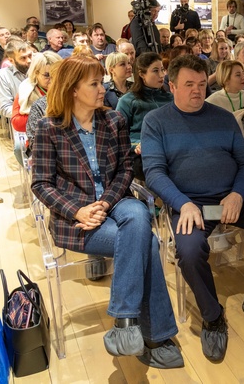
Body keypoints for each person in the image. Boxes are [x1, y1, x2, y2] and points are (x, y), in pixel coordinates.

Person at [141, 54, 244, 362]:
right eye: (189, 84)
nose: (197, 91)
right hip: (194, 205)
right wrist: (182, 203)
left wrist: (237, 195)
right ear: (172, 86)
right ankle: (212, 315)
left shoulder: (222, 117)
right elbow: (154, 172)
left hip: (234, 199)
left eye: (202, 84)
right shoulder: (156, 121)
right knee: (189, 252)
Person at [31, 56, 182, 369]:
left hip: (115, 201)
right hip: (77, 219)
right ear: (73, 89)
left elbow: (126, 168)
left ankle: (126, 318)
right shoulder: (49, 129)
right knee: (149, 244)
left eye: (102, 82)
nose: (104, 89)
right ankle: (157, 335)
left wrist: (105, 202)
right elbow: (42, 185)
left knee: (138, 216)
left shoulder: (113, 120)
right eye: (95, 84)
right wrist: (79, 211)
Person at [116, 52, 173, 180]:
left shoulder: (170, 98)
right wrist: (137, 144)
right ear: (141, 74)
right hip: (141, 153)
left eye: (162, 70)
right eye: (155, 71)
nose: (162, 75)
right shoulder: (127, 101)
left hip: (170, 148)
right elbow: (118, 136)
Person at [11, 51, 61, 134]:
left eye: (56, 74)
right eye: (47, 75)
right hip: (38, 140)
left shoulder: (67, 89)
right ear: (36, 73)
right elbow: (17, 124)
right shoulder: (26, 90)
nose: (53, 79)